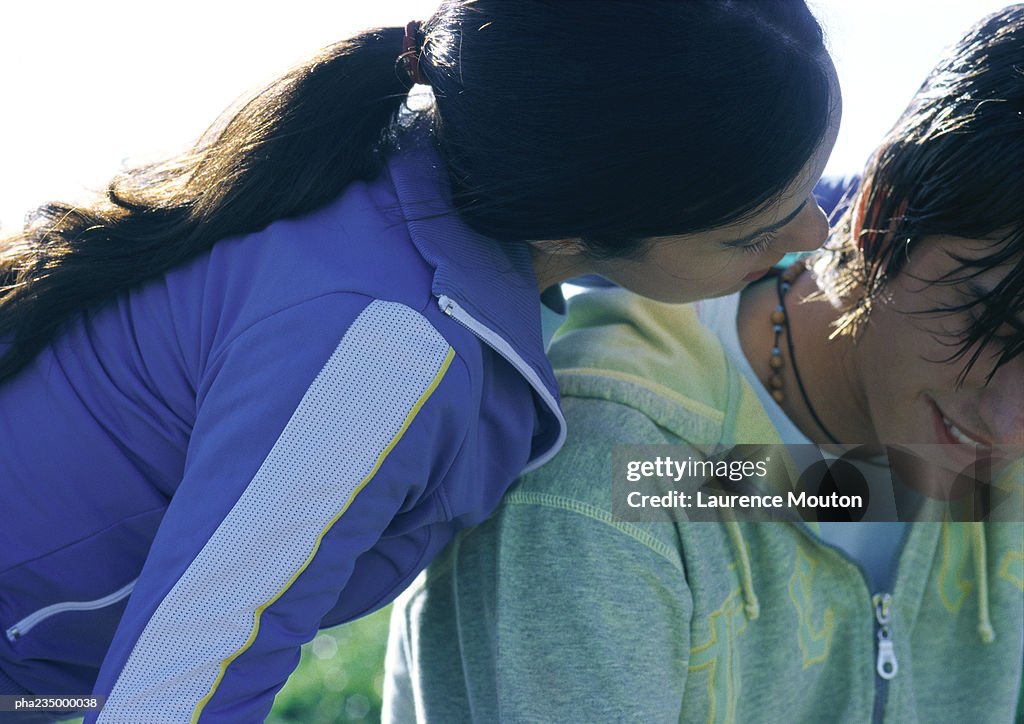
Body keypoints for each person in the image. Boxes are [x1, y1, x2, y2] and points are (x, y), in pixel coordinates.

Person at [0, 2, 843, 720]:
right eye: (758, 232)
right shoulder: (385, 354)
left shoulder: (402, 198)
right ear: (570, 225)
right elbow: (171, 696)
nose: (818, 236)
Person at [383, 6, 1024, 722]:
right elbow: (708, 487)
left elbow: (826, 488)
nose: (1008, 427)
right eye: (988, 322)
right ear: (883, 210)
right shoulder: (611, 474)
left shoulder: (971, 456)